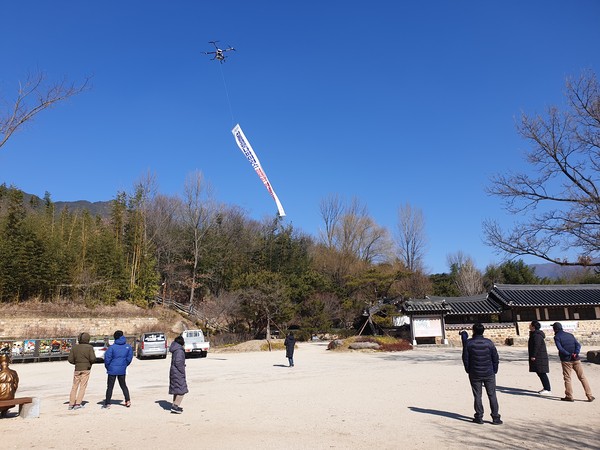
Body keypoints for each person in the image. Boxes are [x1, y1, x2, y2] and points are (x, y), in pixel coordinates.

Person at [461, 323, 502, 425]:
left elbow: (465, 358)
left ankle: (479, 416)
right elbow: (495, 358)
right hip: (489, 372)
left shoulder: (469, 343)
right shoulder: (489, 343)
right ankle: (495, 417)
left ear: (473, 331)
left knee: (477, 395)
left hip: (475, 372)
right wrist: (494, 369)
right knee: (492, 394)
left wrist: (468, 369)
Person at [552, 322, 594, 402]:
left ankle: (569, 396)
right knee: (582, 377)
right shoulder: (570, 335)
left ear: (555, 329)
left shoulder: (557, 337)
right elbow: (578, 345)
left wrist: (569, 354)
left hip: (566, 360)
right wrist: (576, 353)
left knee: (567, 378)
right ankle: (589, 395)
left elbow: (560, 348)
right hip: (576, 358)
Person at [102, 330, 133, 409]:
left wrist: (108, 367)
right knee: (123, 385)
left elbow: (107, 359)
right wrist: (125, 365)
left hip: (112, 369)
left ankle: (107, 403)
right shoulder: (128, 347)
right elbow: (129, 358)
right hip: (122, 369)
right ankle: (128, 400)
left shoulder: (112, 347)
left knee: (110, 386)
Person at [67, 332, 96, 410]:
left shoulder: (75, 347)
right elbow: (93, 358)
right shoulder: (89, 347)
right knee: (82, 386)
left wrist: (76, 363)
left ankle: (71, 403)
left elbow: (70, 359)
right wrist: (90, 363)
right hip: (86, 368)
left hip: (77, 368)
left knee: (74, 386)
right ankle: (78, 403)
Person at [528, 321, 551, 395]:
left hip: (539, 357)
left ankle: (547, 389)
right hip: (539, 356)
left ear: (533, 326)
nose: (529, 326)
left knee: (542, 373)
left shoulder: (537, 336)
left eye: (530, 325)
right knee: (540, 373)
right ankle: (546, 387)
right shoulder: (534, 334)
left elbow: (536, 346)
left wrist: (533, 355)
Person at [169, 335, 188, 414]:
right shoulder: (179, 350)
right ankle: (175, 406)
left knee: (177, 389)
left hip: (174, 371)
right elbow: (178, 362)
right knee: (181, 389)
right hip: (178, 372)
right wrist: (182, 370)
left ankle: (174, 405)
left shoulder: (175, 349)